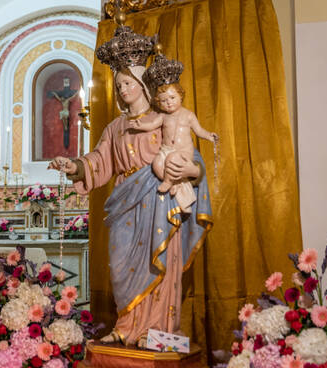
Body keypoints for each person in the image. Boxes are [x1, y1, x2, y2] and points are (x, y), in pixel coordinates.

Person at [48, 25, 212, 348]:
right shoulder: (115, 127)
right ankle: (126, 326)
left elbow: (190, 156)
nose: (122, 90)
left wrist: (191, 168)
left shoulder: (164, 116)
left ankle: (157, 331)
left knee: (160, 265)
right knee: (121, 266)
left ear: (141, 84)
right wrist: (75, 165)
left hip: (161, 201)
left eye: (127, 83)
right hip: (125, 202)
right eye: (118, 84)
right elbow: (99, 161)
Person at [130, 55, 218, 213]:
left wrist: (209, 136)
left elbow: (198, 131)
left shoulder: (188, 115)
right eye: (163, 101)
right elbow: (151, 125)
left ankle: (169, 182)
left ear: (180, 96)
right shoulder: (163, 116)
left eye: (172, 98)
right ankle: (174, 183)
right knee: (157, 163)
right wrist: (140, 125)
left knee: (172, 160)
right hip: (166, 150)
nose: (168, 102)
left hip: (183, 151)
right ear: (158, 102)